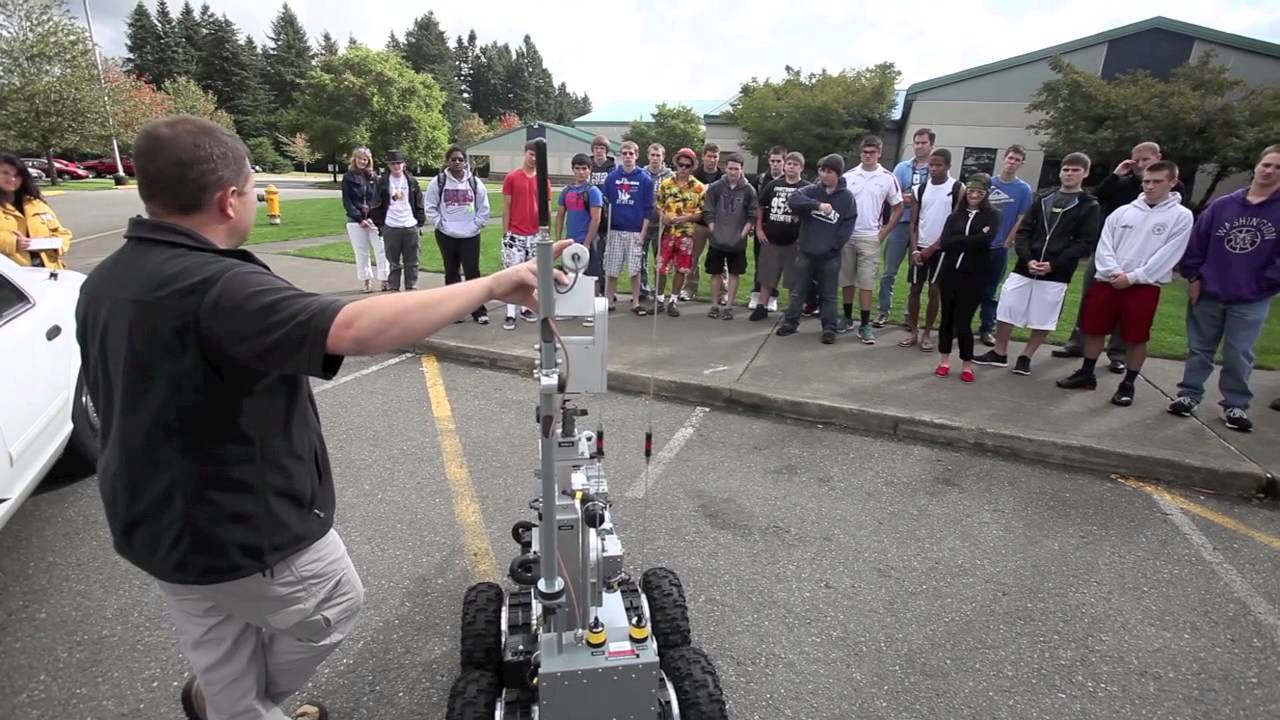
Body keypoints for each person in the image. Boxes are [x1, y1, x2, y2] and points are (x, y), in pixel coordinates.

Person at [73, 115, 571, 720]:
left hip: (154, 524)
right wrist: (491, 284)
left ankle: (229, 703)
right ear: (230, 200)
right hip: (240, 530)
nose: (255, 198)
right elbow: (353, 328)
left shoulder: (106, 279)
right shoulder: (218, 288)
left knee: (219, 650)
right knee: (332, 600)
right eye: (253, 188)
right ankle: (246, 704)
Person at [1056, 160, 1193, 406]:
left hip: (1144, 286)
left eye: (1157, 182)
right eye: (1147, 182)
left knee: (1136, 337)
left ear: (1172, 182)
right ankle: (1087, 373)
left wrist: (1133, 277)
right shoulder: (1124, 212)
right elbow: (1105, 244)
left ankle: (1128, 383)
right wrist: (1112, 271)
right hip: (1108, 280)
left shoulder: (1181, 217)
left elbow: (1169, 255)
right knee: (1094, 329)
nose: (1150, 187)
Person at [1167, 145, 1280, 432]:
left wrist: (1261, 284)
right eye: (1267, 164)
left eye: (1278, 168)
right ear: (1257, 166)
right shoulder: (1223, 205)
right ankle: (1189, 395)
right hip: (1209, 292)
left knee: (1238, 352)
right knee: (1199, 349)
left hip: (1251, 298)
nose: (1269, 171)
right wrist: (1193, 278)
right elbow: (1197, 245)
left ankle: (1235, 405)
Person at [975, 153, 1101, 375]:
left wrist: (1054, 264)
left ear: (1085, 173)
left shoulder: (1088, 205)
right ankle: (999, 352)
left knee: (1044, 316)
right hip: (1025, 266)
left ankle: (1026, 356)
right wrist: (1028, 258)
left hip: (1057, 272)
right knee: (1007, 306)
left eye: (1075, 170)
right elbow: (1024, 231)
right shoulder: (1043, 198)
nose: (1069, 174)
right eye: (1066, 169)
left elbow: (1084, 242)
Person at [776, 153, 857, 344]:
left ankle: (829, 328)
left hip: (830, 256)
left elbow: (848, 225)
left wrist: (834, 246)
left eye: (829, 172)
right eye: (822, 170)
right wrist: (817, 205)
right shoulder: (811, 191)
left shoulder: (846, 198)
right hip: (806, 251)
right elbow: (793, 200)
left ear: (838, 174)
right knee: (798, 291)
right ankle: (790, 322)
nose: (824, 175)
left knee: (828, 294)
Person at [933, 174, 1000, 383]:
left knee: (964, 321)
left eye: (979, 192)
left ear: (986, 194)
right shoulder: (955, 216)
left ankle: (967, 362)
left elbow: (986, 240)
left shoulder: (992, 215)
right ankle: (944, 360)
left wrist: (961, 240)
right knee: (947, 319)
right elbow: (945, 242)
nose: (974, 195)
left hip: (974, 276)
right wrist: (969, 240)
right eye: (971, 191)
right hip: (950, 274)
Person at [841, 135, 904, 343]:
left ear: (879, 153)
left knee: (866, 283)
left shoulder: (887, 177)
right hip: (848, 236)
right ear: (861, 153)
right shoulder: (849, 176)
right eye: (865, 153)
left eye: (872, 153)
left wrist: (883, 233)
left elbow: (898, 207)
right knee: (847, 280)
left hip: (870, 237)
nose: (868, 156)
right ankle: (848, 318)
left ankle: (866, 324)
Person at [901, 149, 962, 351]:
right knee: (915, 289)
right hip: (920, 247)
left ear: (948, 166)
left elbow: (953, 225)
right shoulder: (920, 189)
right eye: (931, 165)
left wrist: (933, 248)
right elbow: (914, 223)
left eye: (939, 165)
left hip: (942, 249)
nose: (934, 169)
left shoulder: (956, 188)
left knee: (935, 290)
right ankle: (914, 331)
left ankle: (928, 333)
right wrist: (915, 249)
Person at [425, 144, 492, 324]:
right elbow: (430, 207)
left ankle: (478, 310)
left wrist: (476, 224)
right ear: (448, 162)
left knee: (472, 272)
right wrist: (440, 224)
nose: (457, 162)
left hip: (470, 234)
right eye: (453, 159)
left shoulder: (474, 182)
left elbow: (484, 207)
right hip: (446, 234)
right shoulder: (438, 182)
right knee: (451, 272)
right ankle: (455, 312)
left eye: (460, 159)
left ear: (465, 162)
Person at [877, 128, 936, 327]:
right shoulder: (902, 168)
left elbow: (931, 198)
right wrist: (912, 199)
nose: (919, 146)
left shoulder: (935, 168)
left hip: (921, 228)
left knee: (915, 275)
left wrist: (911, 198)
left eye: (923, 143)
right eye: (917, 143)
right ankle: (883, 312)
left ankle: (909, 315)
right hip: (899, 225)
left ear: (931, 145)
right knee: (889, 273)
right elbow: (892, 195)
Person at [978, 145, 1033, 347]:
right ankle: (961, 325)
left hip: (1000, 247)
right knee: (971, 286)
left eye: (1017, 160)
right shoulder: (988, 184)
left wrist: (1009, 240)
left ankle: (986, 328)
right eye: (1010, 158)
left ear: (1021, 164)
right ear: (1003, 159)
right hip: (979, 246)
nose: (1012, 162)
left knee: (991, 290)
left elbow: (1021, 218)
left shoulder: (1023, 189)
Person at [751, 151, 809, 322]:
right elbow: (760, 206)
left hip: (794, 241)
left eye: (795, 164)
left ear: (801, 168)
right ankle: (761, 307)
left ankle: (792, 312)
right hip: (771, 239)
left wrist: (804, 237)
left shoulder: (806, 188)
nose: (791, 167)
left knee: (793, 279)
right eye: (789, 164)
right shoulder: (773, 186)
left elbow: (810, 213)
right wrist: (759, 228)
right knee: (767, 276)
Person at [501, 141, 553, 330]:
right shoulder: (512, 178)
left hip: (535, 233)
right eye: (531, 154)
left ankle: (525, 308)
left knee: (531, 274)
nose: (533, 158)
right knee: (512, 274)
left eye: (537, 155)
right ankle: (510, 313)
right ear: (525, 154)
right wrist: (505, 232)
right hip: (515, 233)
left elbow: (546, 207)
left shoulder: (543, 180)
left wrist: (546, 231)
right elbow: (506, 205)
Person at [701, 153, 758, 320]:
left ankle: (729, 307)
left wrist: (743, 233)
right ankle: (714, 305)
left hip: (737, 241)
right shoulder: (717, 187)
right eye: (730, 168)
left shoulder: (748, 190)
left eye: (736, 169)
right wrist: (713, 228)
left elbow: (752, 214)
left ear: (742, 169)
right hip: (717, 240)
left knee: (734, 273)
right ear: (726, 168)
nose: (733, 172)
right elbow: (708, 210)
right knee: (715, 272)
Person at [602, 141, 656, 314]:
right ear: (620, 155)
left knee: (635, 269)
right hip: (615, 229)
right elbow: (606, 202)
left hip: (635, 230)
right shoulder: (612, 177)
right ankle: (608, 300)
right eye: (624, 153)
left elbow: (649, 209)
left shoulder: (645, 179)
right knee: (612, 267)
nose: (627, 157)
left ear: (636, 155)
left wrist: (643, 233)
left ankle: (635, 301)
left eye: (630, 154)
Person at [654, 147, 706, 317]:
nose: (683, 168)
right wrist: (663, 217)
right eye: (681, 165)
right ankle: (659, 300)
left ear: (692, 167)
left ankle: (673, 301)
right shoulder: (666, 184)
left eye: (687, 166)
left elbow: (702, 213)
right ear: (676, 163)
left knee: (682, 269)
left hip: (686, 234)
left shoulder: (698, 188)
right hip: (668, 232)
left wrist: (687, 218)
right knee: (661, 267)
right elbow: (659, 204)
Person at [0, 153, 73, 268]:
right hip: (11, 278)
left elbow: (62, 233)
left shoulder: (35, 203)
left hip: (49, 272)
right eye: (5, 173)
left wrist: (54, 245)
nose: (12, 179)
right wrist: (12, 242)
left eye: (17, 175)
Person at [370, 149, 425, 292]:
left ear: (404, 164)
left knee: (412, 261)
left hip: (410, 225)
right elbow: (375, 205)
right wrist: (381, 226)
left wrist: (419, 223)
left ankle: (411, 287)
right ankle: (394, 288)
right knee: (393, 262)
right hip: (391, 226)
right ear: (388, 165)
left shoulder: (411, 181)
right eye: (393, 163)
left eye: (399, 163)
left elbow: (419, 204)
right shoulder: (382, 182)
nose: (396, 166)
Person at [340, 146, 389, 293]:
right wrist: (360, 218)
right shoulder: (348, 177)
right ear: (354, 159)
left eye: (366, 159)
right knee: (361, 252)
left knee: (381, 250)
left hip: (374, 220)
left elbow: (379, 199)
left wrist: (374, 217)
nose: (363, 161)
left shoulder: (374, 177)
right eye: (360, 158)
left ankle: (385, 279)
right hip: (355, 220)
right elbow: (347, 201)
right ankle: (367, 280)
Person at [683, 143, 724, 300]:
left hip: (718, 224)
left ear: (718, 158)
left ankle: (722, 292)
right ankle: (689, 289)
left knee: (722, 259)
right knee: (693, 258)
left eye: (715, 157)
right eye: (709, 156)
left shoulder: (723, 178)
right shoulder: (694, 176)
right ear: (703, 157)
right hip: (698, 223)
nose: (712, 160)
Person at [750, 145, 787, 312]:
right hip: (762, 227)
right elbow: (755, 203)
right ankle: (756, 293)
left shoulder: (789, 179)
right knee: (760, 261)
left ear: (784, 162)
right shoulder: (761, 179)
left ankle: (772, 296)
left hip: (781, 227)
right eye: (772, 161)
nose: (775, 164)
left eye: (778, 161)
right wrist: (755, 226)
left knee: (777, 265)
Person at [640, 143, 674, 303]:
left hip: (661, 224)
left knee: (660, 260)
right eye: (652, 155)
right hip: (643, 223)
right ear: (648, 156)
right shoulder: (641, 173)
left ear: (663, 157)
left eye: (658, 155)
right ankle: (643, 288)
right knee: (640, 258)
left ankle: (657, 291)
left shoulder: (669, 176)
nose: (655, 158)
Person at [587, 135, 616, 294]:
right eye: (596, 148)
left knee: (604, 254)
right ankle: (594, 288)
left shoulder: (612, 168)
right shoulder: (587, 165)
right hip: (590, 213)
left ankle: (605, 289)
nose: (599, 151)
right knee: (592, 254)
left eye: (602, 148)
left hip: (606, 216)